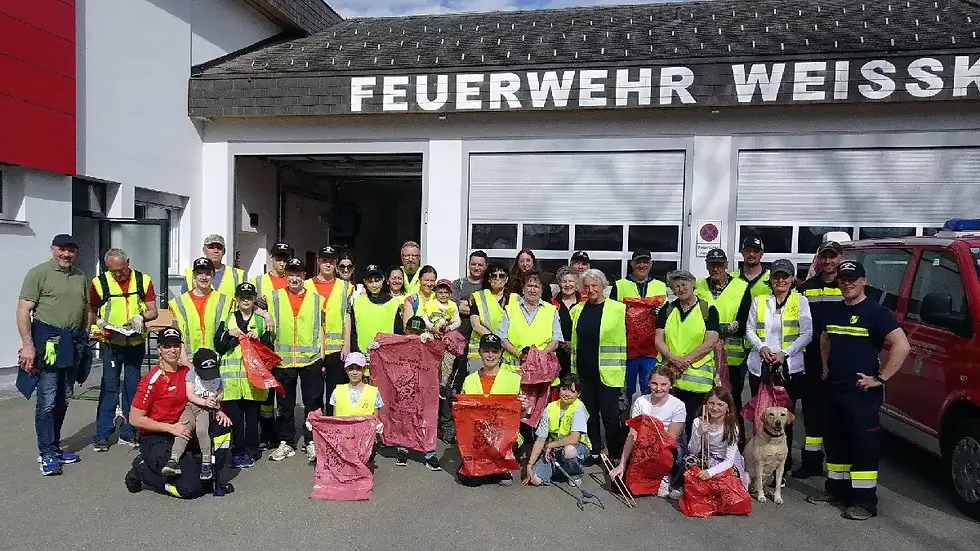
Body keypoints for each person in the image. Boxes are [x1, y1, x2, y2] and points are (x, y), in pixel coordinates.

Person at [806, 260, 910, 521]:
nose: (847, 283)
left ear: (864, 281)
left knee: (863, 446)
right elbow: (825, 337)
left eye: (853, 279)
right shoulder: (834, 310)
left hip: (861, 393)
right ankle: (836, 490)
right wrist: (826, 366)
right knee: (835, 442)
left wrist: (881, 378)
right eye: (843, 279)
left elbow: (901, 345)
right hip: (834, 389)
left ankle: (864, 502)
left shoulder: (876, 312)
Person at [124, 327, 234, 498]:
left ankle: (204, 468)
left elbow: (205, 392)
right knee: (190, 488)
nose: (172, 350)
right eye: (167, 346)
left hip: (184, 431)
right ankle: (142, 469)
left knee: (221, 427)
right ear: (159, 348)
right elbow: (135, 419)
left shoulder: (187, 373)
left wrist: (217, 410)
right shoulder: (151, 380)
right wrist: (171, 428)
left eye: (176, 345)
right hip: (157, 437)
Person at [17, 234, 90, 475]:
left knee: (64, 397)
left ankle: (55, 447)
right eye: (62, 250)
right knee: (47, 399)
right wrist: (28, 345)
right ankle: (46, 453)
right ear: (52, 250)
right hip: (48, 342)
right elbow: (24, 309)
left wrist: (85, 335)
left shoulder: (80, 275)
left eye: (71, 250)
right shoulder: (38, 273)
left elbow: (87, 308)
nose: (66, 254)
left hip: (72, 342)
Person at [746, 258, 813, 477]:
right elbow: (750, 330)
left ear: (793, 279)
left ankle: (781, 471)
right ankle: (759, 466)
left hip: (789, 368)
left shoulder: (800, 301)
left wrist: (785, 353)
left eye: (785, 276)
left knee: (785, 419)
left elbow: (807, 333)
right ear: (771, 279)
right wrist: (762, 347)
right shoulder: (759, 300)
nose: (781, 280)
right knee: (763, 416)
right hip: (761, 367)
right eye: (776, 276)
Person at [90, 248, 159, 451]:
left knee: (133, 386)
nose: (119, 274)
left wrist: (141, 317)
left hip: (135, 341)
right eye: (114, 271)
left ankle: (130, 432)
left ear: (128, 262)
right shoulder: (99, 283)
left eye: (122, 269)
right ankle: (102, 434)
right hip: (111, 342)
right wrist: (99, 324)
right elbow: (91, 311)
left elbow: (153, 310)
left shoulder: (143, 280)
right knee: (109, 386)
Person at [266, 258, 325, 463]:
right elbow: (249, 304)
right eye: (290, 274)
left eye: (298, 274)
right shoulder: (274, 298)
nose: (294, 278)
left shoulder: (316, 299)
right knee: (285, 404)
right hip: (283, 360)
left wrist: (322, 355)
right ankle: (286, 442)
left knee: (313, 403)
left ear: (304, 276)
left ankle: (311, 440)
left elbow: (321, 327)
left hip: (310, 359)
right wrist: (265, 315)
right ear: (286, 276)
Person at [794, 240, 844, 479]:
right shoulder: (807, 288)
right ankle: (811, 461)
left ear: (840, 258)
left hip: (841, 358)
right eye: (824, 257)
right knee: (812, 413)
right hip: (812, 359)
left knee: (837, 414)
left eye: (832, 256)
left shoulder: (847, 285)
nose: (827, 261)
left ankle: (839, 464)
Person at [366, 315, 442, 471]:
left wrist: (431, 341)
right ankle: (402, 448)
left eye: (417, 332)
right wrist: (374, 350)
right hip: (402, 390)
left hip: (423, 390)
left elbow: (444, 350)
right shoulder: (396, 345)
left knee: (426, 416)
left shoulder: (427, 343)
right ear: (406, 330)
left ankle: (429, 452)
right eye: (412, 331)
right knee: (401, 416)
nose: (414, 335)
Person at [214, 282, 275, 468]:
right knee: (236, 419)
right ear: (237, 300)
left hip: (252, 380)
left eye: (249, 297)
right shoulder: (228, 319)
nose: (246, 301)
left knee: (252, 418)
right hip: (232, 381)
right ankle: (238, 451)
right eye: (242, 297)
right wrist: (229, 335)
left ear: (254, 299)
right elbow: (219, 345)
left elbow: (270, 348)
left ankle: (252, 450)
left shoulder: (261, 320)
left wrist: (260, 339)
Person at [569, 269, 627, 460]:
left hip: (608, 372)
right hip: (584, 371)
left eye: (595, 285)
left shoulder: (618, 309)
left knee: (610, 416)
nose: (591, 289)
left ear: (603, 286)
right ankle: (594, 449)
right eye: (586, 286)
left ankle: (615, 454)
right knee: (589, 414)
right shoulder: (577, 309)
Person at [655, 270, 720, 436]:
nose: (681, 288)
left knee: (695, 422)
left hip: (697, 382)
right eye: (676, 285)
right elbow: (658, 340)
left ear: (693, 285)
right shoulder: (667, 310)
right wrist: (673, 359)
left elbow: (711, 341)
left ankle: (695, 458)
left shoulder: (708, 310)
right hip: (671, 377)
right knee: (668, 422)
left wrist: (685, 361)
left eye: (684, 284)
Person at [457, 333, 524, 487]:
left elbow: (521, 415)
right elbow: (464, 416)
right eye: (486, 350)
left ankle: (497, 468)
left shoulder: (514, 379)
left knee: (503, 480)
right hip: (478, 437)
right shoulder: (469, 380)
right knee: (471, 481)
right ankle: (487, 470)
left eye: (495, 351)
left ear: (501, 353)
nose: (490, 355)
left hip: (503, 437)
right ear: (480, 352)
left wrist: (524, 406)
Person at [610, 369, 687, 498]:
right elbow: (632, 434)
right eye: (654, 383)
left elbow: (671, 439)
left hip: (665, 446)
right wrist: (622, 464)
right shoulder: (640, 401)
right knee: (618, 485)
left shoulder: (678, 405)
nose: (658, 388)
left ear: (671, 385)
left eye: (663, 384)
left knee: (672, 451)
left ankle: (665, 476)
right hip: (641, 444)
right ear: (649, 383)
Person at [693, 248, 752, 418]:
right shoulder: (698, 287)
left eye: (719, 265)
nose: (716, 269)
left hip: (733, 357)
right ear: (706, 266)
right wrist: (725, 328)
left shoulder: (741, 287)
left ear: (726, 265)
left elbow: (743, 323)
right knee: (705, 399)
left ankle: (735, 437)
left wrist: (715, 329)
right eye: (712, 265)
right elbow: (695, 322)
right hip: (705, 355)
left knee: (732, 400)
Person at [611, 248, 669, 397]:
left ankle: (649, 420)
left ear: (651, 263)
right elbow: (611, 315)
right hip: (627, 349)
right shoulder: (620, 285)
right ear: (632, 264)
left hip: (652, 349)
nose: (642, 265)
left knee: (652, 390)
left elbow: (666, 316)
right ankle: (625, 420)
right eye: (638, 262)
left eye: (645, 262)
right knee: (624, 392)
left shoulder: (660, 286)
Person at [305, 245, 354, 416]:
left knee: (334, 394)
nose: (328, 264)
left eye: (331, 261)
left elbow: (347, 316)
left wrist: (346, 345)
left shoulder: (345, 287)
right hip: (313, 348)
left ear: (335, 264)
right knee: (313, 394)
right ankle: (312, 432)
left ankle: (333, 430)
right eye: (324, 260)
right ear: (318, 261)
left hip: (336, 348)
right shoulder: (306, 286)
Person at [163, 348, 224, 481]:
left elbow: (220, 393)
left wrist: (216, 399)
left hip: (205, 409)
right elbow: (190, 395)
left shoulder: (217, 375)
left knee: (202, 430)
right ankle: (174, 458)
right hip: (191, 406)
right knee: (185, 428)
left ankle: (206, 460)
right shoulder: (192, 374)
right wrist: (204, 400)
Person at [524, 375, 590, 486]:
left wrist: (551, 445)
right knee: (535, 480)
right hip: (555, 449)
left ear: (578, 394)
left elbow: (574, 439)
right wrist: (529, 465)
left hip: (577, 447)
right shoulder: (550, 408)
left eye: (572, 391)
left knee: (569, 451)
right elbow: (540, 439)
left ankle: (575, 474)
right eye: (564, 389)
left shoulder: (579, 407)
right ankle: (560, 468)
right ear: (559, 389)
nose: (567, 394)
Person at [169, 257, 232, 364]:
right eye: (200, 273)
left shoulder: (226, 301)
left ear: (213, 275)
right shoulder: (177, 303)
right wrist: (186, 362)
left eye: (208, 273)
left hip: (217, 362)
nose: (204, 277)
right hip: (188, 362)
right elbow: (175, 336)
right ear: (194, 276)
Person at [497, 270, 562, 372]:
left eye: (536, 287)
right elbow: (502, 338)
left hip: (541, 369)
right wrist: (520, 356)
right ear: (523, 289)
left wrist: (538, 358)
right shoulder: (510, 309)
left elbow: (556, 340)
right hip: (513, 369)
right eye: (529, 285)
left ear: (541, 290)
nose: (532, 290)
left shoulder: (551, 310)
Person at [688, 386, 751, 491]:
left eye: (720, 405)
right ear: (705, 405)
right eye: (711, 403)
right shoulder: (698, 422)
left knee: (724, 482)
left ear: (728, 408)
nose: (715, 408)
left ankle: (742, 478)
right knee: (688, 461)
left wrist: (710, 472)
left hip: (726, 461)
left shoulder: (731, 427)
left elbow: (729, 460)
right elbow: (692, 451)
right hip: (708, 457)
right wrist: (698, 433)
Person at [347, 265, 404, 357]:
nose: (374, 285)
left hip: (386, 357)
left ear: (383, 280)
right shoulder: (357, 302)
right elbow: (352, 332)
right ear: (365, 282)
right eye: (370, 281)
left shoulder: (393, 303)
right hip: (362, 357)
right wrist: (356, 352)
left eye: (377, 280)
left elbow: (398, 333)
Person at [467, 264, 513, 373]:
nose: (497, 279)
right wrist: (495, 339)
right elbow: (475, 325)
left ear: (506, 279)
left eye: (501, 276)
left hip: (507, 350)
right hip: (480, 349)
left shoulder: (516, 299)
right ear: (489, 278)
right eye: (494, 275)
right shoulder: (479, 297)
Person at [550, 266, 584, 382]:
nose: (567, 284)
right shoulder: (551, 304)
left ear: (577, 283)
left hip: (580, 353)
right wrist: (561, 343)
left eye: (571, 281)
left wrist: (574, 344)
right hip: (558, 354)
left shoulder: (585, 303)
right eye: (564, 281)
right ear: (559, 283)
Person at [329, 352, 383, 417]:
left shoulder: (374, 393)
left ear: (364, 369)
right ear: (346, 370)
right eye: (351, 368)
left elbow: (375, 422)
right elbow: (335, 421)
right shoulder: (337, 391)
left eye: (358, 368)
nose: (354, 373)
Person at [252, 241, 293, 307]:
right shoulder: (258, 281)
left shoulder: (294, 281)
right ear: (271, 258)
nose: (282, 264)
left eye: (285, 260)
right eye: (278, 260)